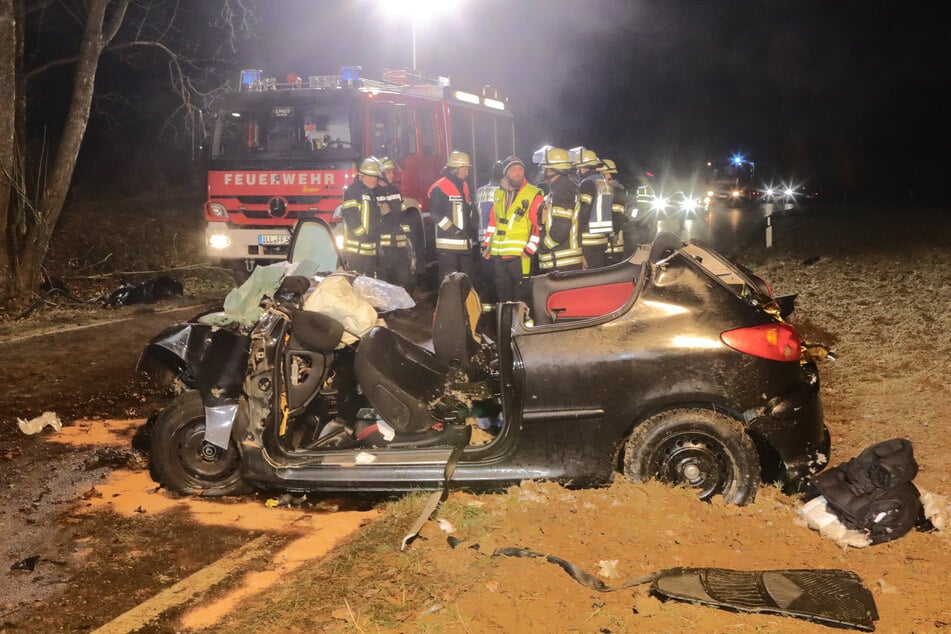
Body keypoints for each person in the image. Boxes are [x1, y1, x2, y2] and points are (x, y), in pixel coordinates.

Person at [482, 156, 543, 304]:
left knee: (522, 299)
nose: (518, 173)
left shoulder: (534, 194)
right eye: (513, 169)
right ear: (506, 173)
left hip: (520, 256)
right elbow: (493, 223)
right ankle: (505, 326)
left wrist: (529, 250)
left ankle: (522, 327)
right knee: (504, 298)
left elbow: (538, 227)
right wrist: (487, 246)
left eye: (520, 169)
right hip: (499, 256)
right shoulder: (499, 193)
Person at [428, 151, 478, 282]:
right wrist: (453, 229)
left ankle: (465, 303)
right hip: (448, 245)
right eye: (464, 169)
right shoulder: (439, 187)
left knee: (466, 280)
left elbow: (468, 210)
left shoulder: (464, 185)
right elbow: (434, 214)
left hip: (464, 243)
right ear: (454, 169)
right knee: (449, 284)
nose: (467, 172)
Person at [534, 146, 583, 272]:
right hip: (560, 259)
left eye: (546, 167)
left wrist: (544, 245)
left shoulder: (562, 189)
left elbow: (561, 228)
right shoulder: (561, 187)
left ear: (552, 169)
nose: (544, 170)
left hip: (561, 260)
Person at [570, 146, 613, 269]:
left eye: (578, 167)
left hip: (588, 239)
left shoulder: (587, 183)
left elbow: (583, 210)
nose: (577, 170)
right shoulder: (604, 182)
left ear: (583, 167)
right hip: (602, 238)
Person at [375, 157, 412, 290]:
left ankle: (402, 308)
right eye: (389, 172)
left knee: (403, 278)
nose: (392, 175)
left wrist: (408, 238)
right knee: (384, 279)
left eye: (392, 172)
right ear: (381, 174)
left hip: (399, 244)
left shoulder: (396, 192)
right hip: (384, 247)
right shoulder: (373, 193)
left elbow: (402, 216)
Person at [341, 157, 382, 276]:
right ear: (361, 176)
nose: (374, 180)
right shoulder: (352, 192)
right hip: (356, 249)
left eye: (375, 177)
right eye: (370, 177)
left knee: (369, 283)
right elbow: (350, 217)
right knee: (357, 281)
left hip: (369, 247)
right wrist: (363, 236)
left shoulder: (372, 193)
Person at [474, 160, 504, 313]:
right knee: (498, 277)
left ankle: (485, 311)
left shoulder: (479, 191)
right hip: (497, 240)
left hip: (482, 239)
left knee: (486, 277)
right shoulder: (503, 191)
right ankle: (496, 310)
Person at [599, 159, 629, 264]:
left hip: (612, 247)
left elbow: (617, 220)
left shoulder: (616, 192)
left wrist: (607, 234)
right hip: (604, 245)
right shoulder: (606, 191)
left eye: (600, 173)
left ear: (608, 174)